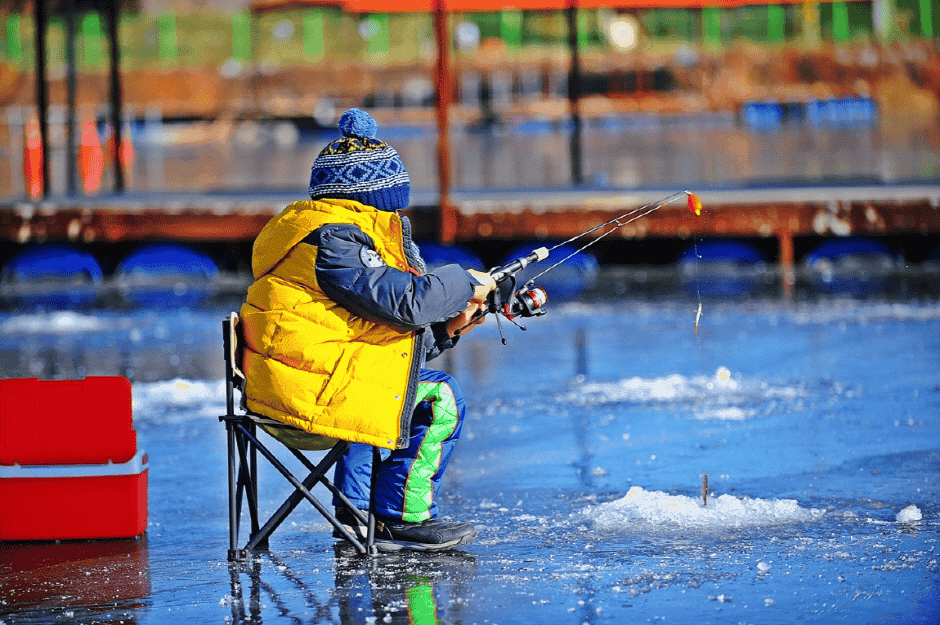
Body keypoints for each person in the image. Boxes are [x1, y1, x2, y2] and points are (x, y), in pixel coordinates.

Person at [239, 108, 496, 550]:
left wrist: (453, 326)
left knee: (383, 388)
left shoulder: (311, 234)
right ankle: (400, 517)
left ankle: (357, 511)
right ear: (375, 197)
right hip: (305, 395)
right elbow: (408, 302)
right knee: (442, 397)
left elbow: (379, 342)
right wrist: (464, 281)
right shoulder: (335, 241)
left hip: (309, 382)